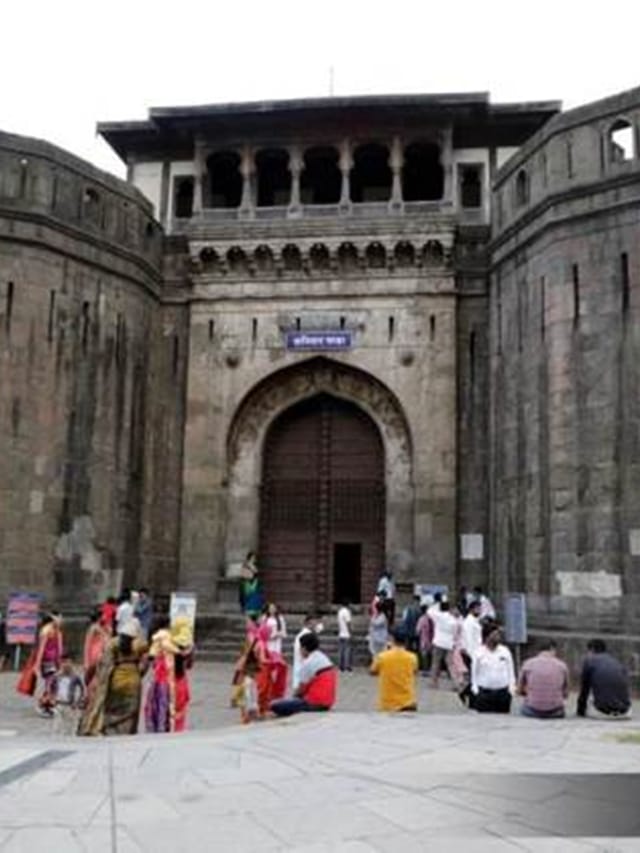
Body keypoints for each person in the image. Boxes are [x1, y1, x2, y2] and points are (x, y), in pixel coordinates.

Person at [78, 620, 148, 736]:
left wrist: (93, 678)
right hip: (133, 682)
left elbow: (102, 663)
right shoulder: (140, 645)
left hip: (116, 681)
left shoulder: (113, 644)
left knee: (113, 708)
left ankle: (110, 730)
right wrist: (139, 673)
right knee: (130, 712)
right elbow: (145, 664)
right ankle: (126, 732)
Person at [145, 617, 194, 733]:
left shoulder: (164, 643)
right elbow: (189, 665)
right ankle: (176, 730)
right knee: (179, 711)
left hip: (164, 682)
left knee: (161, 708)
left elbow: (152, 659)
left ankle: (161, 728)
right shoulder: (189, 647)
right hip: (181, 682)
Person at [270, 632, 337, 717]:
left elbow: (301, 689)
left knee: (276, 705)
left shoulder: (308, 663)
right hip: (327, 701)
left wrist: (293, 698)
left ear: (304, 648)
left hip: (314, 702)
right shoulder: (323, 657)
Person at [576, 639, 632, 720]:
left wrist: (580, 712)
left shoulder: (589, 661)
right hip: (625, 712)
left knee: (591, 699)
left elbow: (584, 690)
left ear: (591, 650)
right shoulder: (617, 662)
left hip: (603, 713)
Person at [470, 623, 515, 713]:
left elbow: (511, 671)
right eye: (494, 635)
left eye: (498, 634)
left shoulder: (505, 651)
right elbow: (474, 673)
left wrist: (511, 689)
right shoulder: (478, 653)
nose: (497, 637)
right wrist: (476, 690)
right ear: (487, 637)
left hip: (503, 693)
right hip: (484, 693)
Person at [370, 627, 418, 712]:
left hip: (388, 703)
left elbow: (372, 671)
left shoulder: (382, 657)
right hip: (407, 702)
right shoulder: (412, 657)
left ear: (392, 640)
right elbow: (414, 671)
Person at [518, 640, 569, 719]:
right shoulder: (562, 666)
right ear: (552, 649)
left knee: (523, 707)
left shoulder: (528, 664)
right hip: (555, 711)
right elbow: (565, 693)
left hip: (532, 709)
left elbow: (519, 690)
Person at [34, 612, 64, 718]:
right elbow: (41, 648)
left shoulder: (58, 631)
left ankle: (49, 705)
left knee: (54, 683)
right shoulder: (46, 630)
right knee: (50, 682)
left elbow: (60, 649)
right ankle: (43, 704)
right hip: (47, 660)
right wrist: (37, 664)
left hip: (54, 660)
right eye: (59, 618)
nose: (61, 620)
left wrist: (61, 662)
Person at [52, 656, 85, 736]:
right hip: (59, 704)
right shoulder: (57, 676)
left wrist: (78, 702)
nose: (66, 665)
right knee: (57, 726)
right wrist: (52, 697)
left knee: (70, 727)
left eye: (68, 663)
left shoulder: (75, 677)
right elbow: (51, 687)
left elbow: (82, 689)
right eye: (64, 663)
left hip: (70, 705)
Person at [82, 608, 111, 697]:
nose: (106, 617)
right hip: (94, 656)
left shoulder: (106, 628)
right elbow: (87, 644)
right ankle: (90, 697)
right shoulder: (93, 628)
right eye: (104, 615)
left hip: (103, 656)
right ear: (100, 617)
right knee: (92, 679)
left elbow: (109, 639)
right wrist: (86, 661)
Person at [430, 601, 459, 689]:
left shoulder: (440, 616)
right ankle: (456, 683)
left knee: (435, 663)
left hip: (438, 642)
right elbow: (455, 634)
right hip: (449, 644)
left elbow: (430, 612)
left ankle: (434, 682)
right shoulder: (455, 621)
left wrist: (436, 604)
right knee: (450, 664)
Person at [458, 599, 482, 704]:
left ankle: (467, 695)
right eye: (477, 608)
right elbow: (468, 639)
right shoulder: (468, 622)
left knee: (475, 676)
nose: (479, 610)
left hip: (476, 651)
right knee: (474, 677)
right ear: (471, 610)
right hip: (471, 652)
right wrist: (471, 654)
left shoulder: (475, 621)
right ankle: (468, 696)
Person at [292, 614, 315, 691]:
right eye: (313, 623)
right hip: (304, 662)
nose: (314, 625)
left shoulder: (300, 634)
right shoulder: (307, 635)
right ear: (308, 623)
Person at [239, 551, 264, 620]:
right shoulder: (246, 565)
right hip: (248, 583)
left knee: (255, 596)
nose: (254, 559)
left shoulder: (254, 565)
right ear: (250, 557)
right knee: (248, 597)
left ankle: (255, 610)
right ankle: (248, 610)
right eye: (253, 557)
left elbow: (256, 573)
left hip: (254, 583)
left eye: (255, 558)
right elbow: (243, 574)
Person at [416, 604, 433, 675]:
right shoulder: (432, 618)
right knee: (431, 655)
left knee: (424, 656)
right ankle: (430, 669)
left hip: (424, 640)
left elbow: (417, 630)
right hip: (432, 639)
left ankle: (425, 670)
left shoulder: (421, 619)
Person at [337, 601, 353, 673]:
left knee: (341, 651)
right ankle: (347, 667)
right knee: (347, 651)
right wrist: (350, 632)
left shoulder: (339, 612)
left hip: (341, 634)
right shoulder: (347, 612)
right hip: (346, 634)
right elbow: (348, 623)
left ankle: (341, 667)